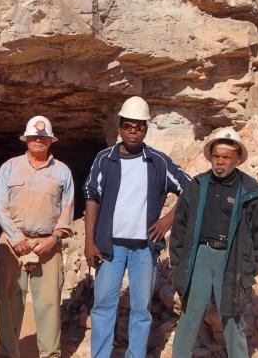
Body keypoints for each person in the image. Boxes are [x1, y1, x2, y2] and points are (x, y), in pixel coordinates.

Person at [83, 96, 191, 358]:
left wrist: (167, 220)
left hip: (144, 248)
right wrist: (89, 240)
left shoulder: (158, 161)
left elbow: (190, 188)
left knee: (141, 311)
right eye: (128, 126)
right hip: (109, 247)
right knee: (103, 306)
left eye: (139, 126)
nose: (134, 131)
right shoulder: (104, 159)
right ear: (120, 127)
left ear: (146, 129)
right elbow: (91, 196)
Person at [170, 127, 258, 357]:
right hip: (201, 257)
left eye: (226, 157)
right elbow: (180, 226)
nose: (220, 162)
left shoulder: (251, 192)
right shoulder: (197, 186)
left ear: (237, 159)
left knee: (231, 319)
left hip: (233, 259)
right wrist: (178, 261)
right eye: (216, 156)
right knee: (190, 315)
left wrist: (249, 267)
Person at [0, 115, 74, 358]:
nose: (38, 140)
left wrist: (54, 239)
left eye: (43, 137)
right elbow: (0, 205)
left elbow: (67, 210)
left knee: (49, 305)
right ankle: (8, 354)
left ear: (50, 141)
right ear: (26, 139)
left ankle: (50, 355)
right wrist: (16, 238)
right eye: (34, 137)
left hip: (48, 244)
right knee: (9, 303)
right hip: (12, 243)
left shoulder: (62, 172)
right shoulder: (9, 167)